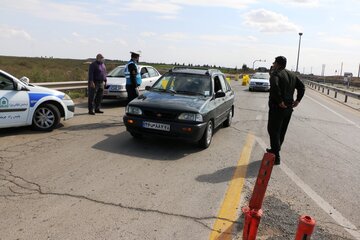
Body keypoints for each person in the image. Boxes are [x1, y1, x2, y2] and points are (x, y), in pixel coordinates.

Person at [267, 56, 305, 165]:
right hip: (288, 108)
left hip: (278, 108)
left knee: (273, 130)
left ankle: (276, 155)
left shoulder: (276, 73)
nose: (273, 64)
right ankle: (275, 150)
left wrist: (279, 101)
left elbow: (274, 86)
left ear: (278, 64)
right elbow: (301, 87)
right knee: (281, 131)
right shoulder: (292, 75)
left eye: (274, 63)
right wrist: (297, 100)